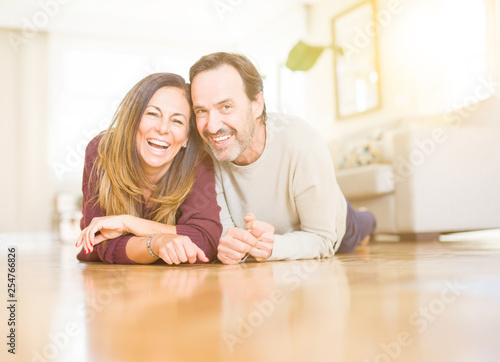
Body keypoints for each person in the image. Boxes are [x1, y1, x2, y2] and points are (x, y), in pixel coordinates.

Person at [189, 52, 376, 264]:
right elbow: (227, 235)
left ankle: (366, 218)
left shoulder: (303, 141)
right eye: (202, 111)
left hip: (334, 223)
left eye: (226, 107)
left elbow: (323, 239)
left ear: (257, 104)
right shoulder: (204, 152)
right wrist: (232, 246)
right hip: (271, 238)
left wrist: (273, 246)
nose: (212, 126)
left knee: (362, 225)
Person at [75, 73, 222, 265]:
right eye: (152, 114)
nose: (163, 129)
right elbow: (99, 242)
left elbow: (205, 240)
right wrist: (156, 243)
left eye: (177, 121)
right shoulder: (101, 151)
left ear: (187, 136)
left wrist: (127, 223)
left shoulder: (198, 162)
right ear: (133, 119)